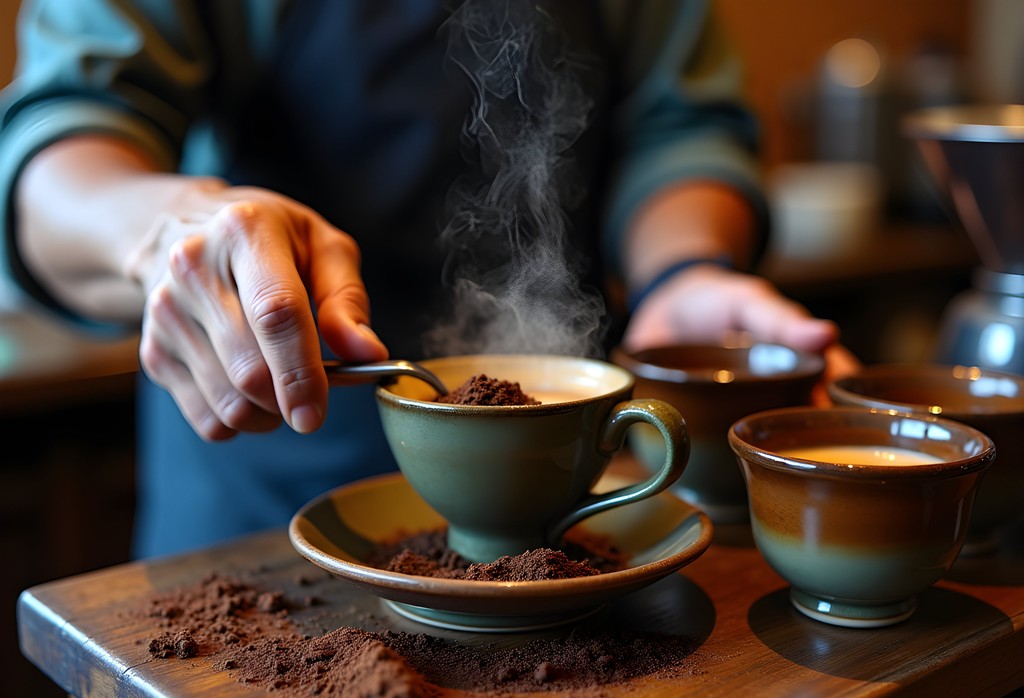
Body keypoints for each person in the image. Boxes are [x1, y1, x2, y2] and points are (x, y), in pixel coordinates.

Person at [0, 0, 854, 558]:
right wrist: (163, 232)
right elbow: (61, 137)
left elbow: (682, 128)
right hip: (267, 492)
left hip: (565, 507)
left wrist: (682, 271)